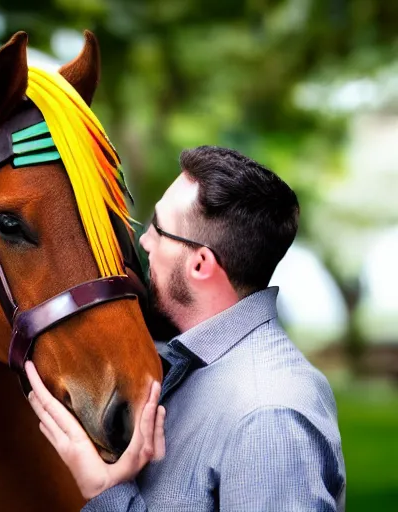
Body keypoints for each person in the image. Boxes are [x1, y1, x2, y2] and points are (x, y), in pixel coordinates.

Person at [26, 145, 346, 511]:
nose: (144, 241)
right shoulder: (185, 368)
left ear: (200, 264)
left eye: (158, 229)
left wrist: (106, 492)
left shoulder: (269, 417)